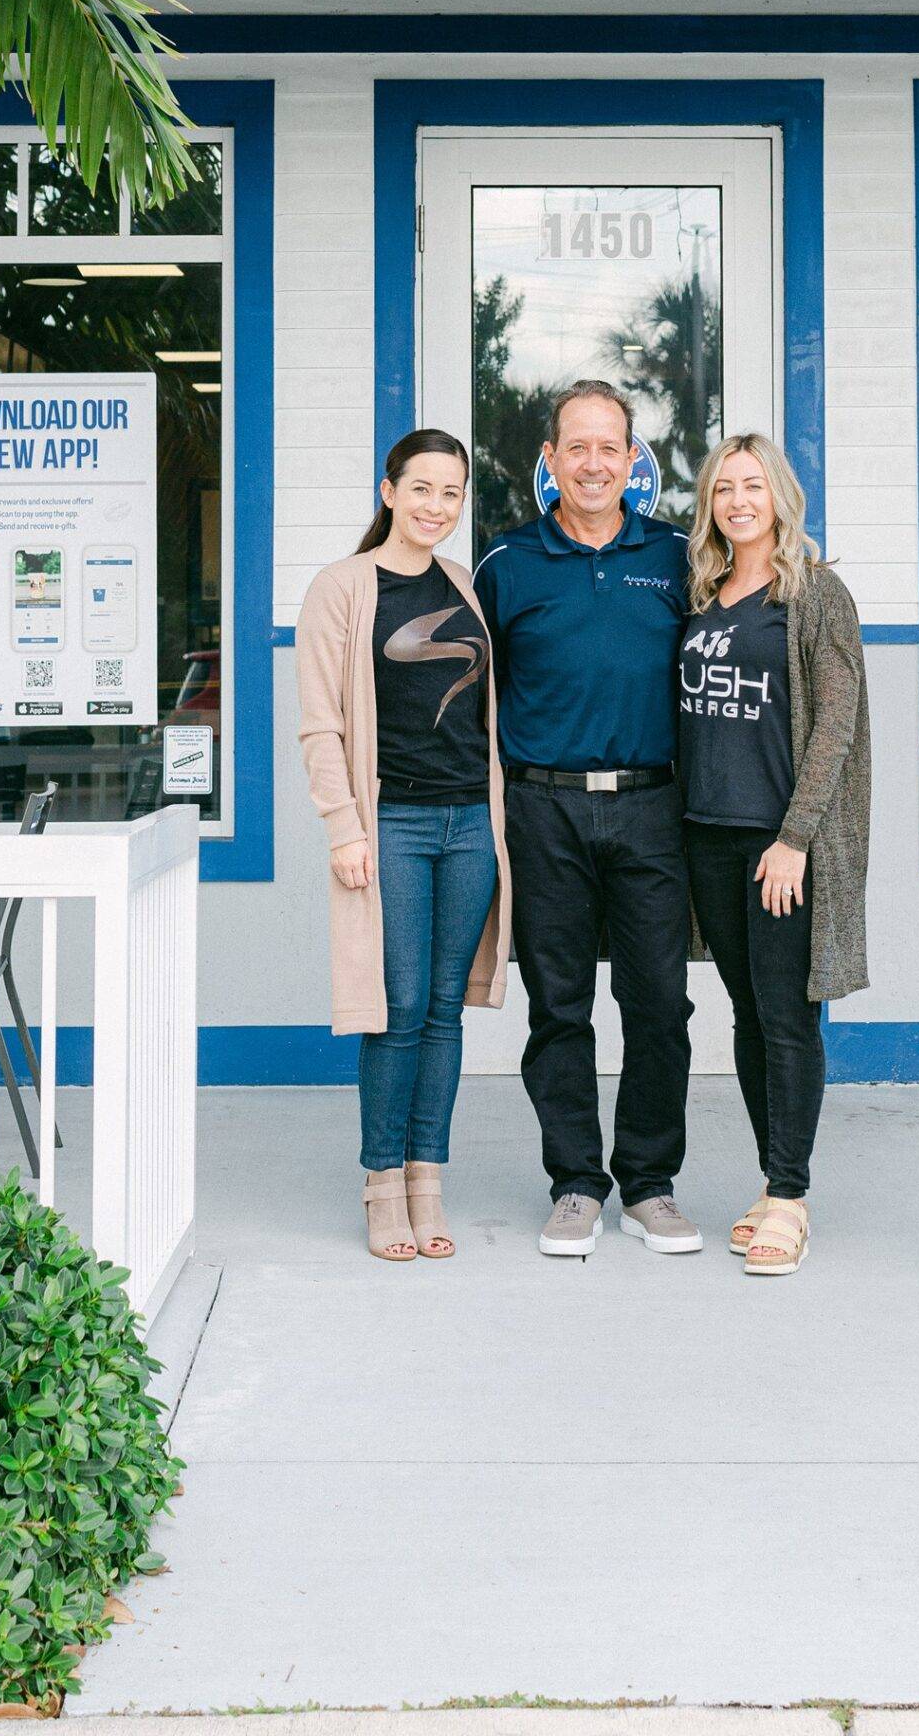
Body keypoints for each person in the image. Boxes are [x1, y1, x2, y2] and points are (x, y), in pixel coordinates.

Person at [474, 379, 699, 1259]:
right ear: (551, 461)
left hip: (651, 806)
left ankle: (648, 1183)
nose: (594, 462)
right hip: (542, 807)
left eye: (611, 447)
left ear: (632, 460)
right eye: (578, 447)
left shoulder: (680, 556)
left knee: (658, 1005)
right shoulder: (507, 563)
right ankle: (574, 1182)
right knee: (558, 1007)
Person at [297, 429, 512, 1263]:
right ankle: (382, 1184)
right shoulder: (342, 588)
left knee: (443, 1010)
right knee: (396, 1010)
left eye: (450, 494)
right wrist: (343, 827)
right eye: (420, 489)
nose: (435, 507)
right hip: (392, 827)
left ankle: (428, 1179)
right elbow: (321, 723)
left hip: (468, 827)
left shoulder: (462, 584)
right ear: (388, 491)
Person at [679, 432, 870, 1276]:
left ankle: (789, 1198)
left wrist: (794, 838)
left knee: (788, 1015)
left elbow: (836, 722)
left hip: (777, 842)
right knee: (748, 1014)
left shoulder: (817, 593)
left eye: (752, 486)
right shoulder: (705, 591)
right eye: (724, 489)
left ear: (779, 496)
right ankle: (772, 1179)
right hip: (709, 837)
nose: (738, 502)